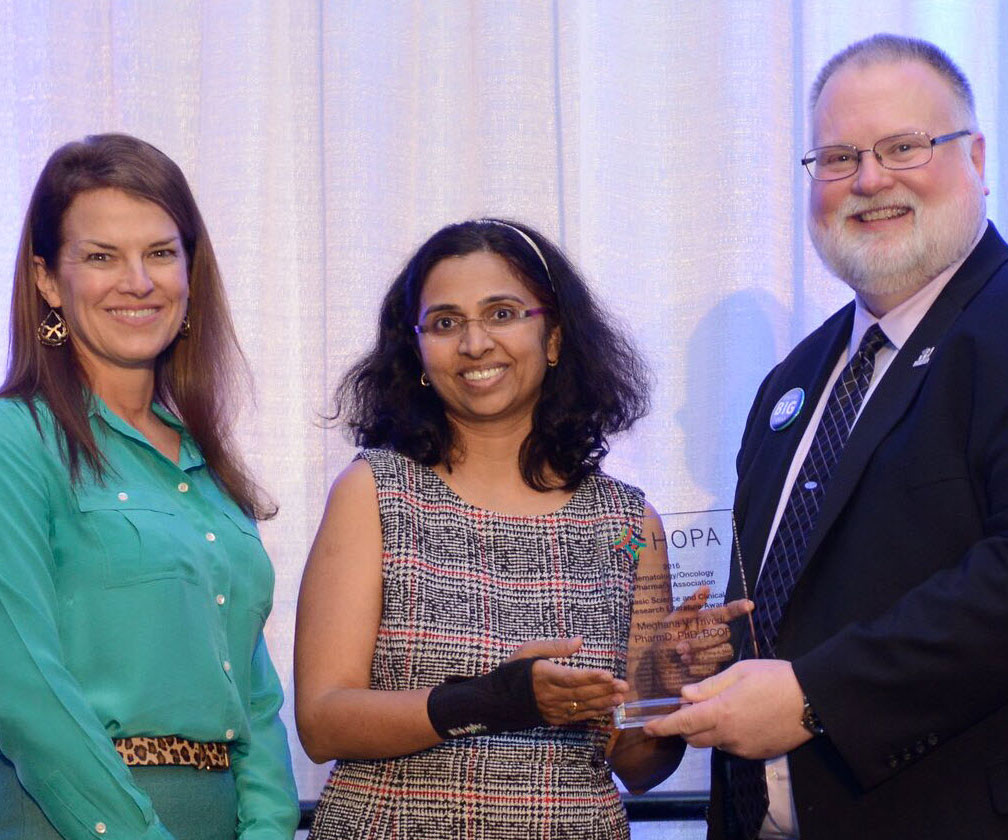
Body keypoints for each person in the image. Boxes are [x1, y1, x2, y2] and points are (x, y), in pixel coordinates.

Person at [644, 33, 1008, 840]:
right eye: (839, 158)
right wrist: (695, 662)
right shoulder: (793, 386)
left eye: (904, 147)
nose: (870, 179)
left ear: (977, 158)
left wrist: (816, 696)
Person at [295, 218, 748, 838]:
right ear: (418, 351)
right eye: (446, 322)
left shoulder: (630, 524)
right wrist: (496, 699)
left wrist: (665, 685)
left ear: (555, 337)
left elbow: (641, 768)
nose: (475, 343)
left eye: (502, 313)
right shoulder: (373, 492)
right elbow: (322, 723)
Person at [0, 134, 299, 839]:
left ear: (191, 271)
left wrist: (267, 827)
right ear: (47, 280)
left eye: (160, 252)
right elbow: (23, 688)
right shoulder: (17, 440)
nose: (137, 280)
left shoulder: (209, 469)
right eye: (101, 256)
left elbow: (253, 699)